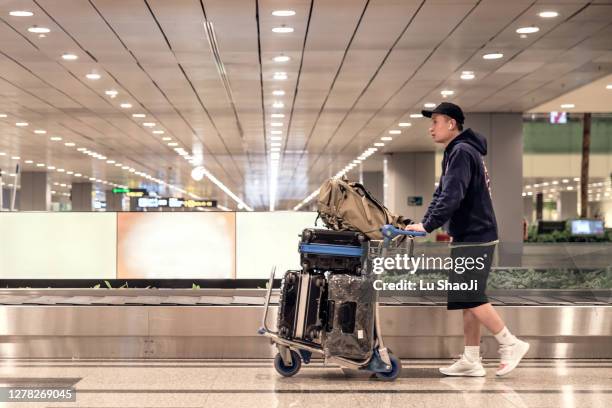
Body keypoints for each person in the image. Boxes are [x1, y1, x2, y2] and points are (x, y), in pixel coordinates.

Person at [405, 102, 529, 377]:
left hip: (476, 234)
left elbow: (452, 196)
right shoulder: (457, 151)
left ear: (451, 124)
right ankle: (472, 358)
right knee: (466, 298)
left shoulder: (461, 151)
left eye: (435, 122)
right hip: (470, 233)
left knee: (469, 294)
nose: (430, 128)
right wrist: (425, 223)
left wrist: (427, 226)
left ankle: (510, 343)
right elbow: (442, 194)